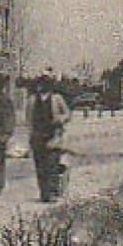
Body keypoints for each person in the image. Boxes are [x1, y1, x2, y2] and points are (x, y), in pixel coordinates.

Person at [28, 69, 71, 202]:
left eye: (44, 83)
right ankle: (44, 192)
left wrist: (60, 120)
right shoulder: (32, 100)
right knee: (40, 167)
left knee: (52, 165)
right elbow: (28, 118)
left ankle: (52, 192)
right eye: (39, 83)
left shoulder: (57, 98)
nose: (41, 86)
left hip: (53, 136)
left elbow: (67, 114)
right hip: (38, 137)